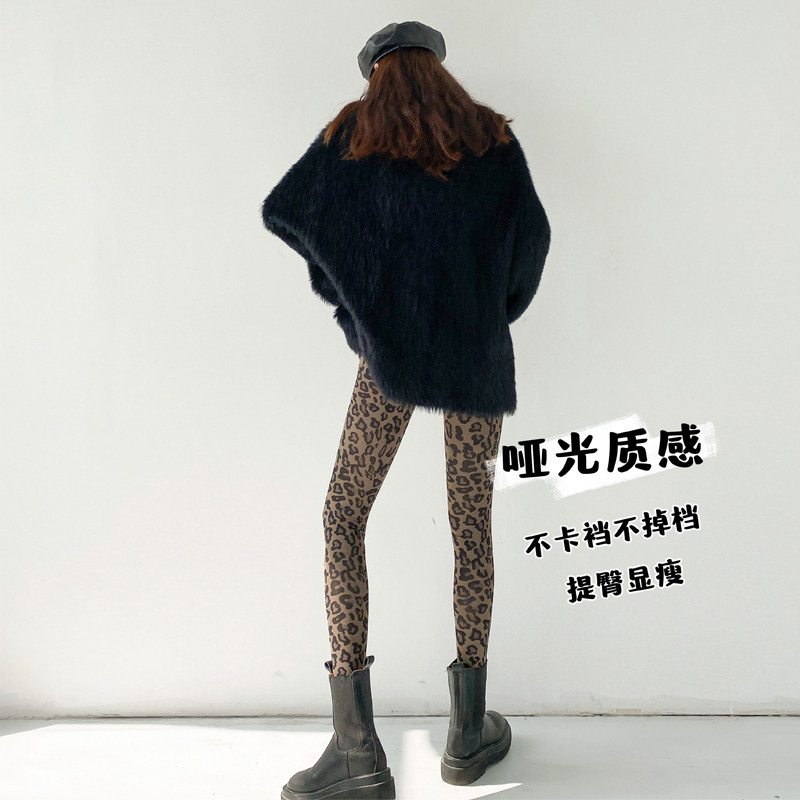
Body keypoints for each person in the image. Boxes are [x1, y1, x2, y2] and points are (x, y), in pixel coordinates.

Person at [261, 20, 551, 800]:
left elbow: (293, 214)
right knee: (470, 525)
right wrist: (488, 315)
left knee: (342, 515)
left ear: (376, 73)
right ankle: (467, 734)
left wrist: (361, 313)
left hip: (389, 362)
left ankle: (355, 748)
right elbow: (532, 244)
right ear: (437, 68)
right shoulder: (490, 138)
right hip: (476, 360)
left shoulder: (355, 135)